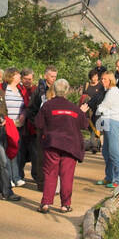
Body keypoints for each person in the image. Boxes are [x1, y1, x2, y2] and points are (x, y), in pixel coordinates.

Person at [34, 78, 85, 213]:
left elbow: (38, 123)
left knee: (50, 173)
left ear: (54, 90)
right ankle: (65, 205)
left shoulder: (47, 106)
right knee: (67, 175)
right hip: (70, 146)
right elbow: (84, 125)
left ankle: (45, 203)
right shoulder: (74, 108)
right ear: (67, 91)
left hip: (52, 144)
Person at [25, 66, 57, 188]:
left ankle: (52, 181)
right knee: (41, 156)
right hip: (42, 129)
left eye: (55, 76)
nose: (54, 79)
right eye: (52, 76)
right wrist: (38, 124)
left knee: (53, 156)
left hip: (55, 129)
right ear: (45, 76)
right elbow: (31, 110)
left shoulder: (57, 89)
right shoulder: (39, 91)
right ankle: (41, 182)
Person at [93, 71, 119, 188]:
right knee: (106, 151)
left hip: (113, 122)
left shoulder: (113, 92)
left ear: (111, 80)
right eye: (102, 79)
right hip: (106, 121)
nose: (102, 81)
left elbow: (102, 107)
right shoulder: (108, 91)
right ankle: (109, 177)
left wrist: (97, 108)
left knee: (114, 151)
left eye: (105, 79)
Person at [3, 68, 28, 185]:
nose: (19, 77)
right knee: (9, 150)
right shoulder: (4, 89)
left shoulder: (20, 90)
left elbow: (24, 106)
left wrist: (23, 114)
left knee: (17, 151)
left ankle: (16, 177)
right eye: (17, 75)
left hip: (19, 125)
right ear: (11, 76)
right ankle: (10, 178)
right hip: (8, 125)